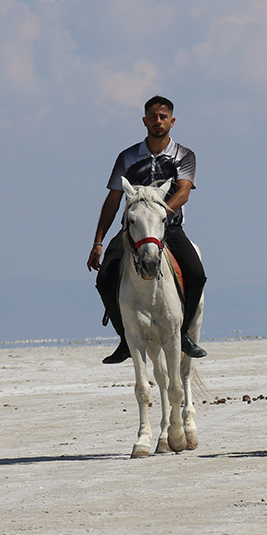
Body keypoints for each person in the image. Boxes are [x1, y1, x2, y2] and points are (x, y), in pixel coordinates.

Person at [87, 95, 207, 364]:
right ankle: (125, 339)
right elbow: (113, 200)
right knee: (104, 278)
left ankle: (183, 333)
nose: (158, 121)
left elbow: (184, 192)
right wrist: (98, 242)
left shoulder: (184, 155)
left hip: (169, 229)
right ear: (144, 121)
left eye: (163, 117)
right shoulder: (127, 157)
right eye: (153, 117)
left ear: (172, 121)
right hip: (132, 231)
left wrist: (159, 215)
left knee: (197, 275)